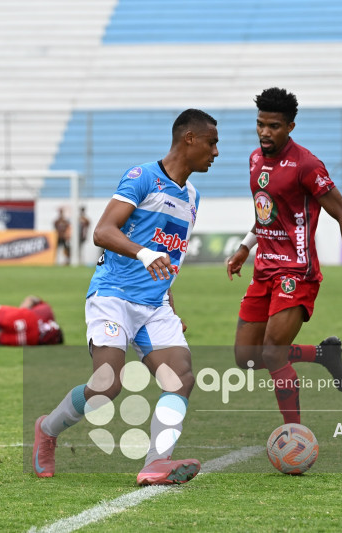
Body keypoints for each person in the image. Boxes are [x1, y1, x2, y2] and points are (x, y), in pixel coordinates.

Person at [32, 109, 219, 485]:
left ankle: (155, 463)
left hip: (154, 305)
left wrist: (171, 306)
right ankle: (47, 430)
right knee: (106, 385)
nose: (216, 153)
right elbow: (102, 231)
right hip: (113, 294)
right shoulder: (142, 177)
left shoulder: (193, 197)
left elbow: (168, 262)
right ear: (189, 139)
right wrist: (144, 253)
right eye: (212, 143)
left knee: (180, 376)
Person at [226, 87, 342, 425]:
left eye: (274, 126)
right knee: (247, 358)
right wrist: (246, 246)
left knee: (274, 352)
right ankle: (323, 354)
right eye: (261, 124)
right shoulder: (254, 159)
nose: (265, 132)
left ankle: (294, 434)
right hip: (263, 269)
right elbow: (268, 212)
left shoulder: (306, 165)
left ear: (290, 127)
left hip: (297, 271)